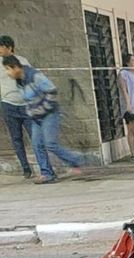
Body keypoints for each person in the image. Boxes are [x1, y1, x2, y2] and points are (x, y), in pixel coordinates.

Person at [3, 55, 85, 184]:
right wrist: (32, 112)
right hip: (36, 116)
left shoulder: (34, 76)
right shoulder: (19, 81)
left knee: (50, 144)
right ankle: (47, 173)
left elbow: (52, 91)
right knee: (37, 145)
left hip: (49, 114)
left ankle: (76, 161)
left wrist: (42, 109)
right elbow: (27, 100)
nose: (7, 73)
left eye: (8, 69)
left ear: (16, 67)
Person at [0, 35, 33, 178]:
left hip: (26, 105)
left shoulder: (23, 61)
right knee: (16, 138)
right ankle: (26, 168)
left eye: (1, 47)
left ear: (9, 47)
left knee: (35, 136)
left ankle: (45, 167)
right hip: (8, 105)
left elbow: (31, 79)